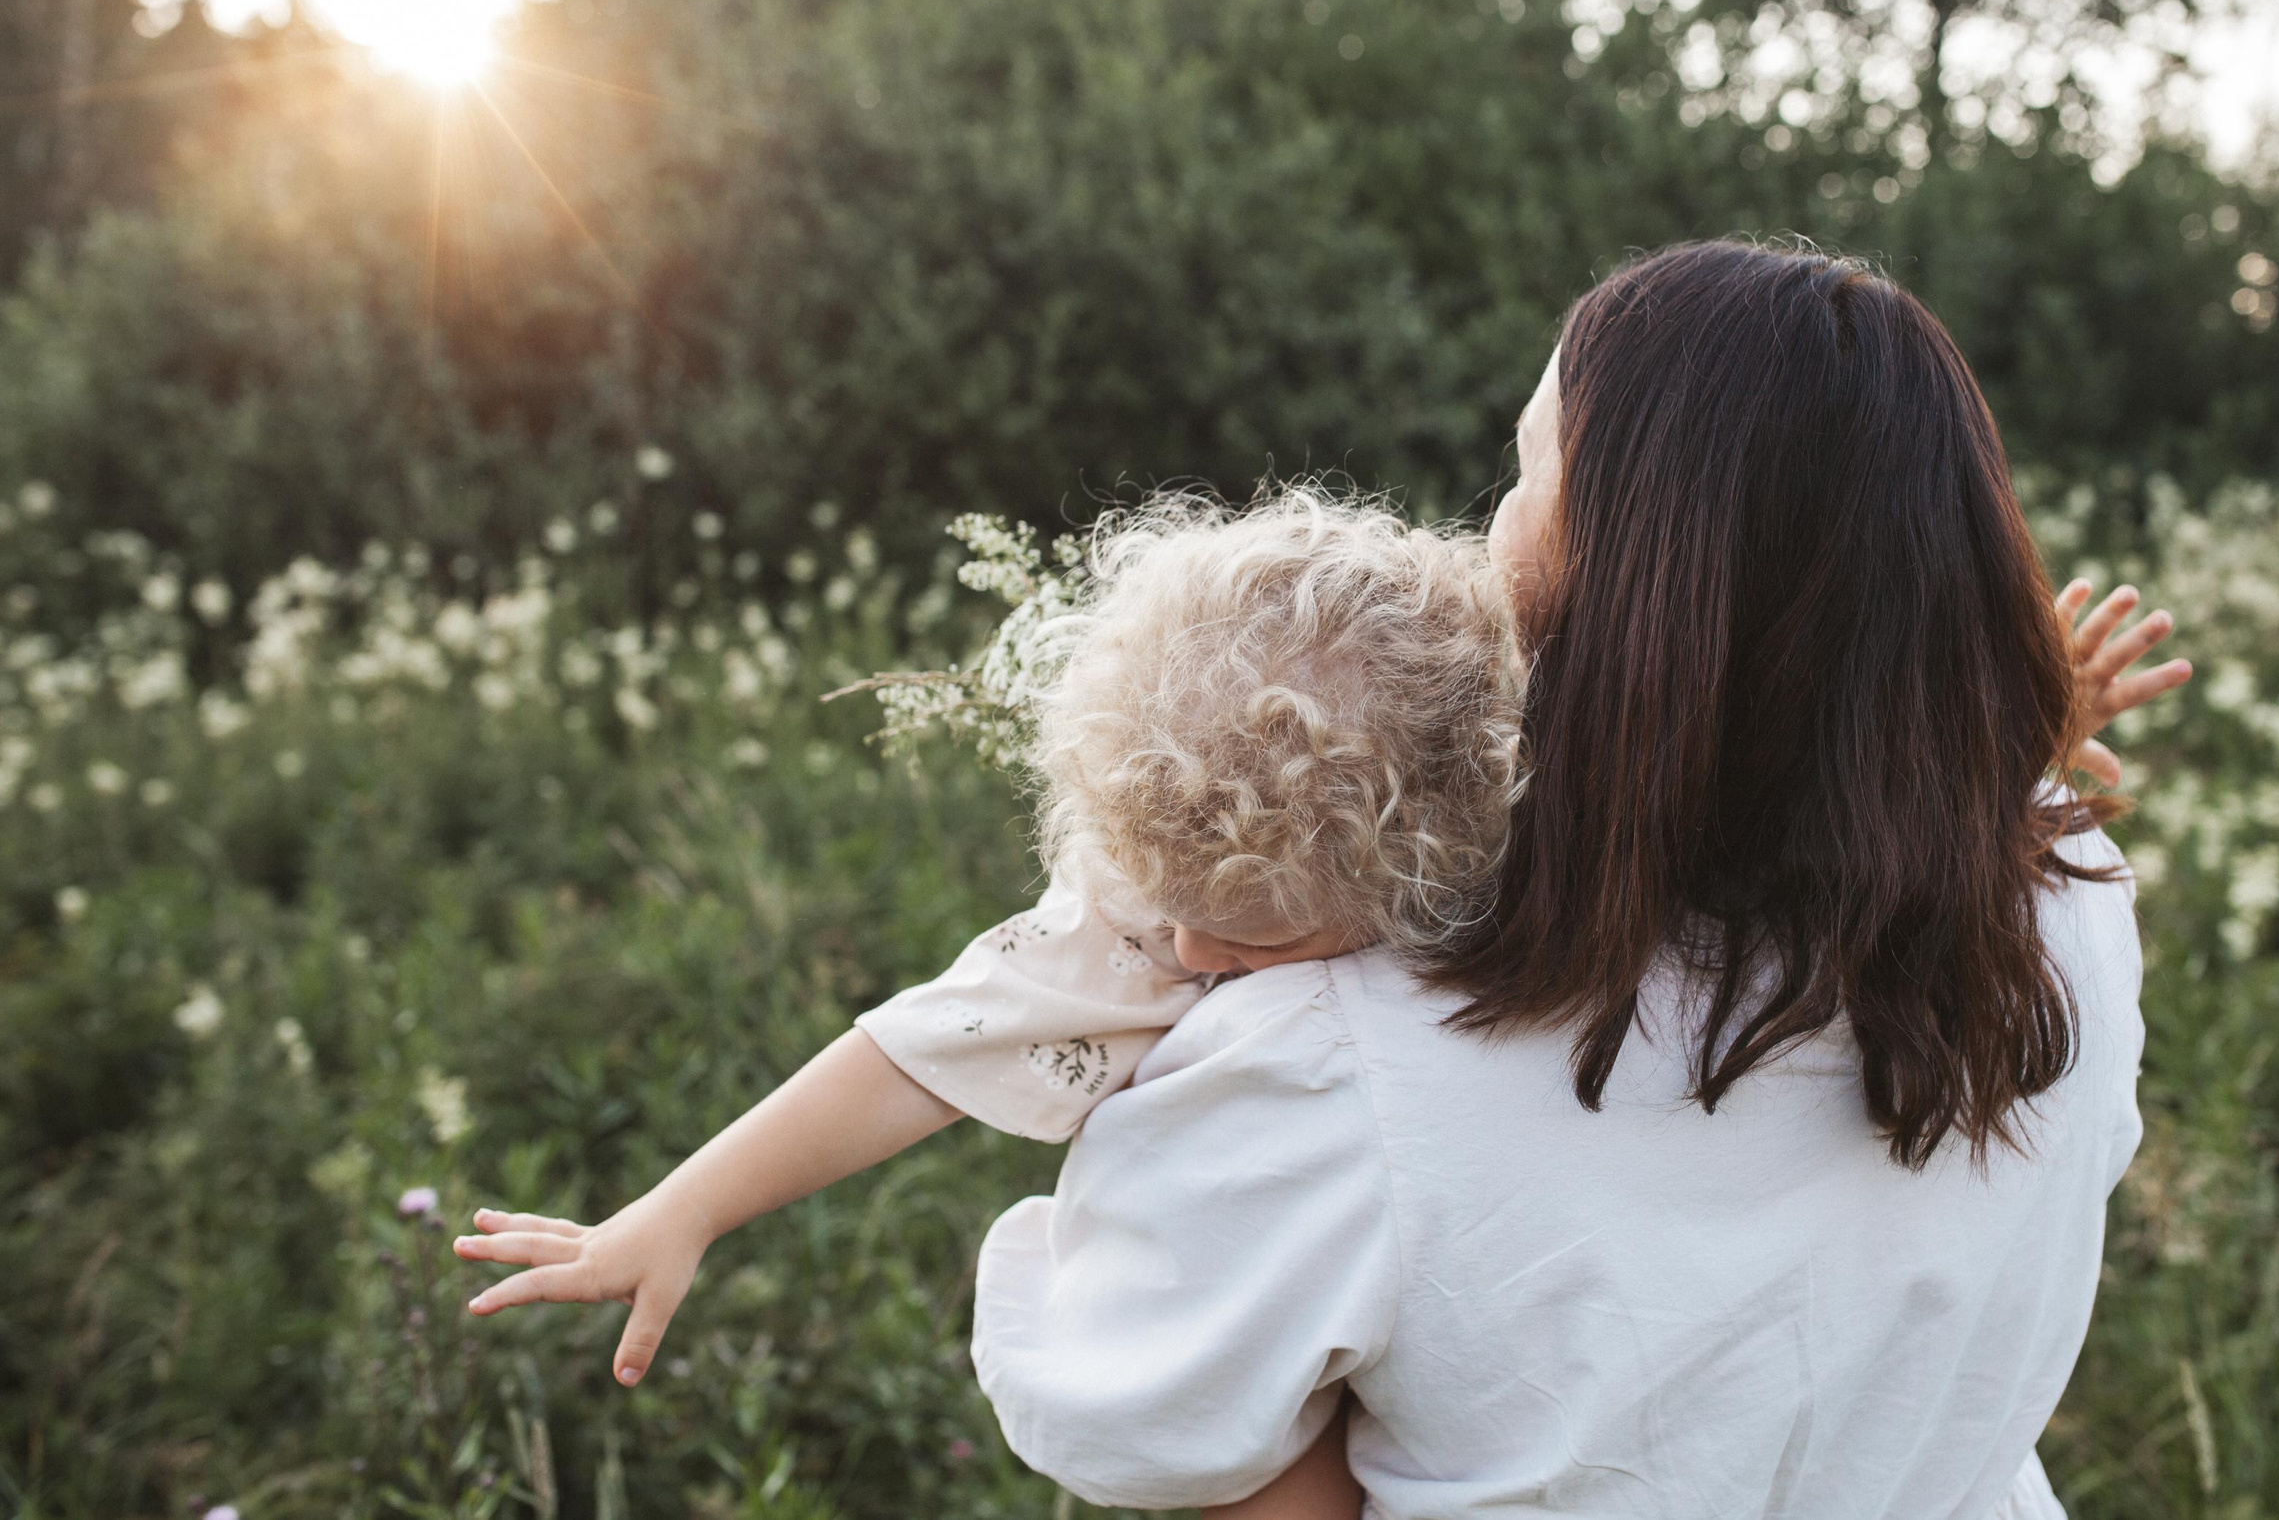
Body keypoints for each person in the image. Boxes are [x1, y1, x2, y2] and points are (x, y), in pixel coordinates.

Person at [965, 240, 2191, 1517]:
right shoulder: (2068, 903)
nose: (1485, 526)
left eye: (1526, 469)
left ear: (1640, 593)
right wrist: (1973, 745)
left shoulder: (1336, 1055)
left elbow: (1176, 1426)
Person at [454, 490, 1529, 1520]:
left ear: (1425, 874)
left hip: (1466, 1311)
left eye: (1253, 940)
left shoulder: (1502, 859)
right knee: (1233, 1427)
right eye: (1171, 910)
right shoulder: (1149, 912)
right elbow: (923, 1048)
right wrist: (680, 1211)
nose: (1191, 948)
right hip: (1270, 1322)